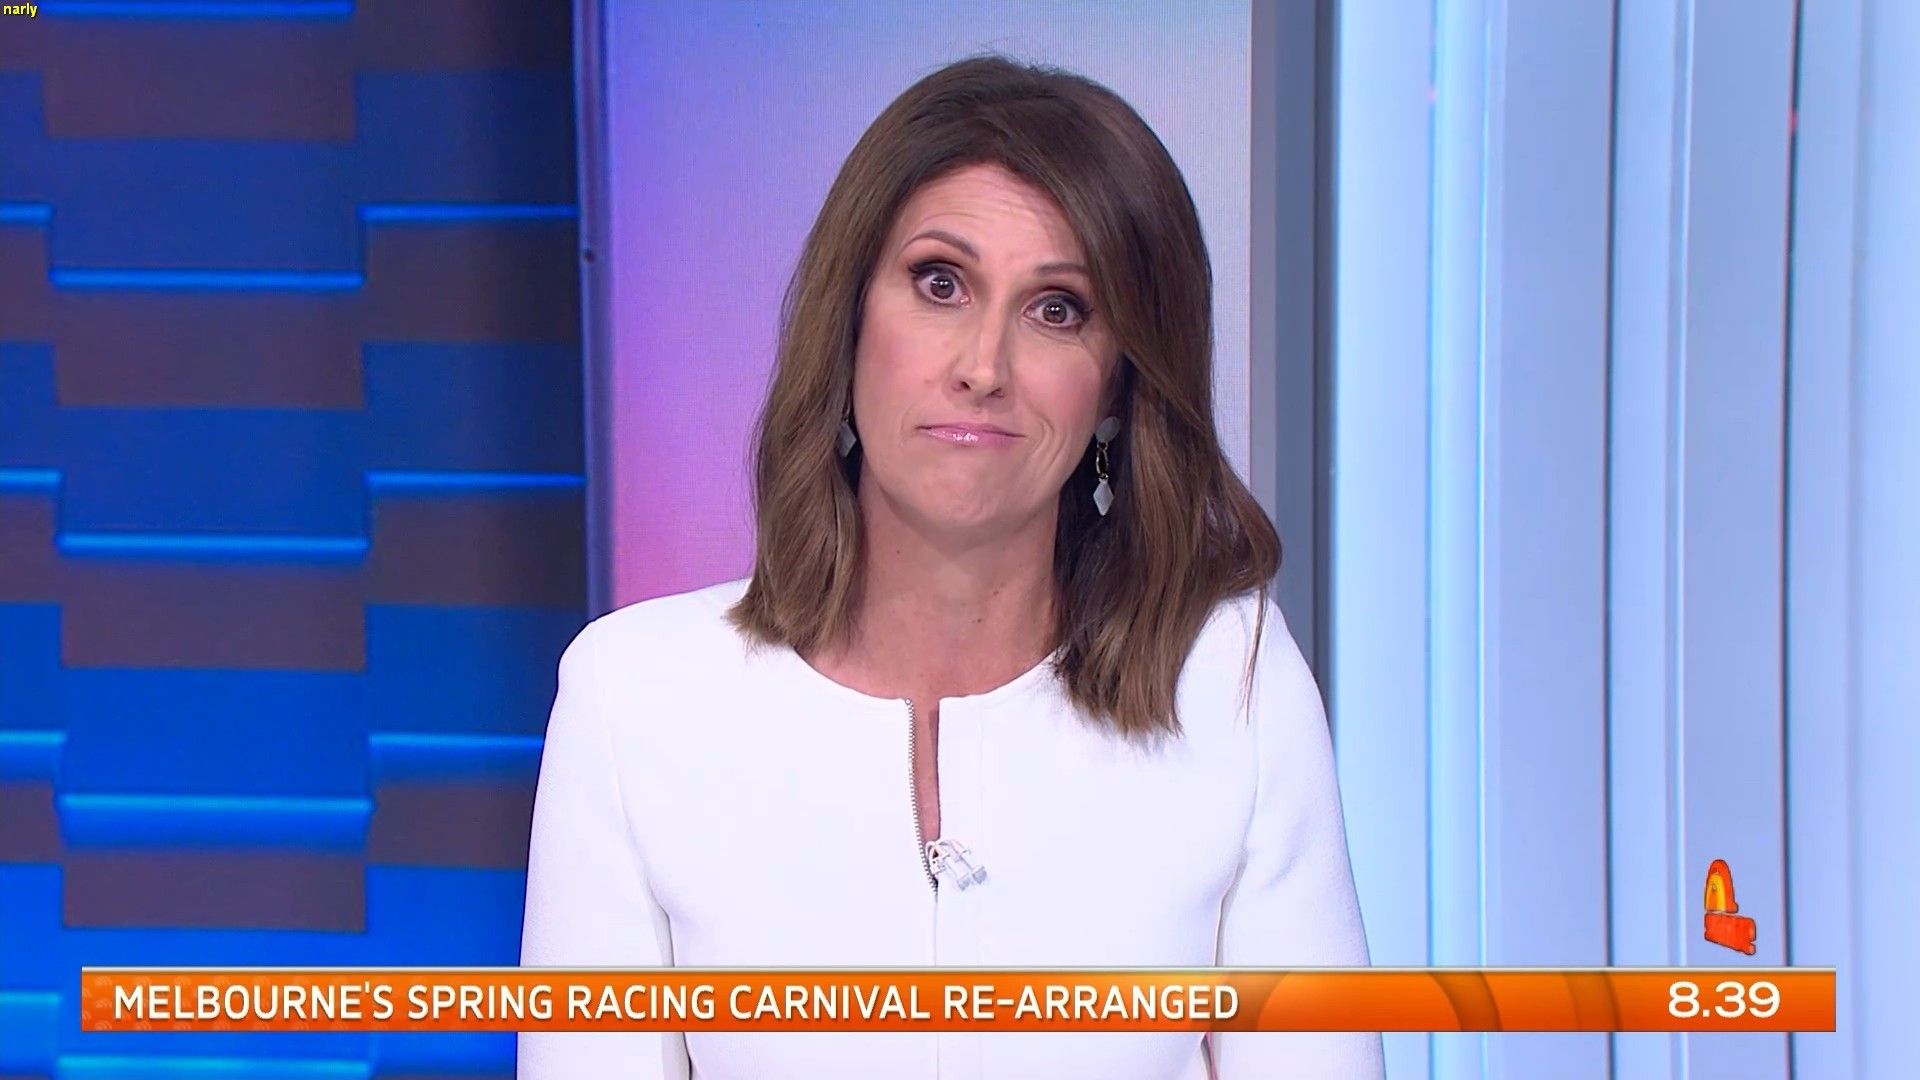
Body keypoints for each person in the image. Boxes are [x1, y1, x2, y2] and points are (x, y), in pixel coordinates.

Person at [519, 54, 1384, 1079]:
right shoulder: (635, 697)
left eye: (1057, 308)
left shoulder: (1230, 684)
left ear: (1117, 388)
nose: (983, 366)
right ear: (849, 327)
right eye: (941, 284)